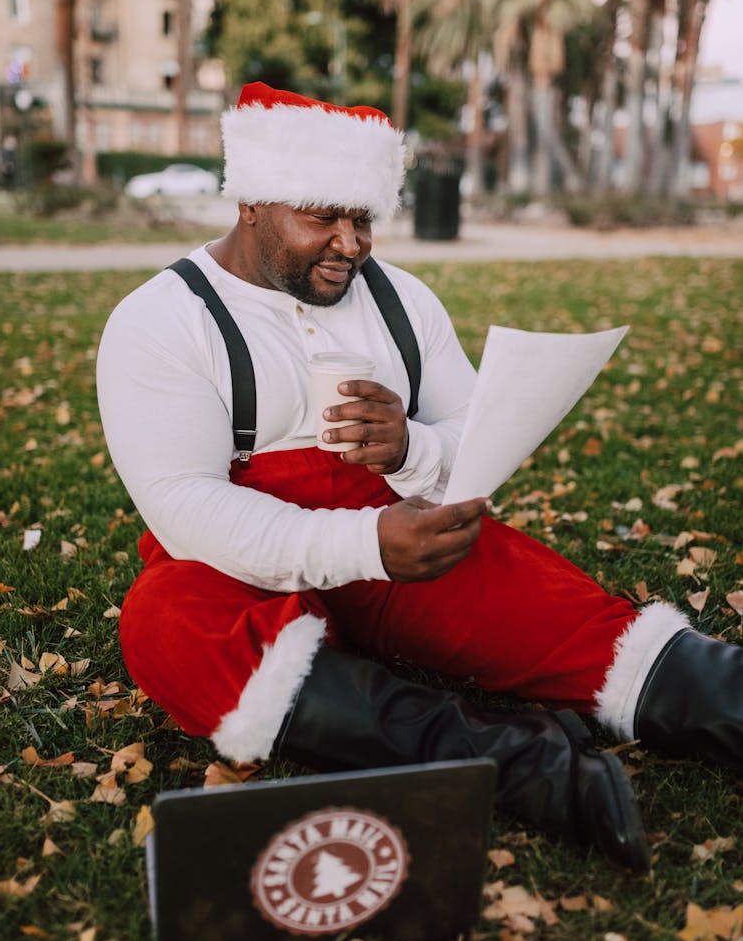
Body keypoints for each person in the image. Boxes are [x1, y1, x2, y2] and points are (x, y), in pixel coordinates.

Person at [96, 82, 742, 875]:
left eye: (361, 217)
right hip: (238, 567)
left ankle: (724, 701)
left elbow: (477, 436)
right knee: (164, 622)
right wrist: (365, 542)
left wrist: (409, 451)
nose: (350, 242)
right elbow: (186, 509)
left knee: (577, 623)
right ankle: (517, 762)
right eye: (320, 216)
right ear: (252, 203)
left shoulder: (401, 301)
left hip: (402, 543)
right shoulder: (162, 319)